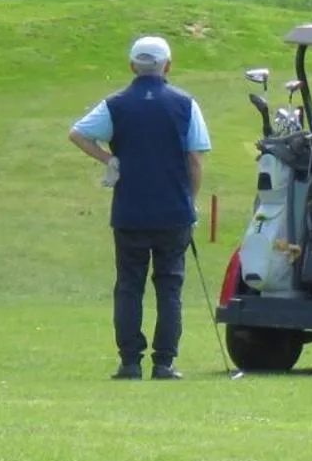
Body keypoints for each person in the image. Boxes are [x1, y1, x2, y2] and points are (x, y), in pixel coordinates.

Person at [68, 35, 211, 380]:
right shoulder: (185, 104)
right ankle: (164, 362)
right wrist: (190, 202)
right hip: (173, 212)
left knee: (130, 286)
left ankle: (130, 361)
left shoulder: (116, 104)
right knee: (169, 287)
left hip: (130, 211)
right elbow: (194, 160)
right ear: (168, 65)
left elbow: (78, 134)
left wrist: (109, 158)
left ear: (133, 66)